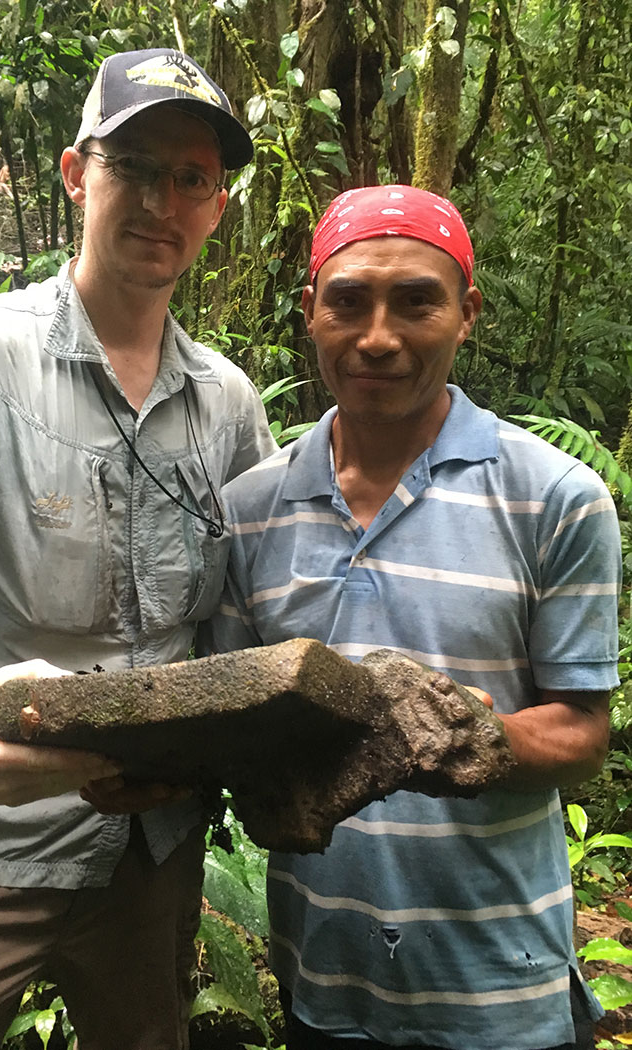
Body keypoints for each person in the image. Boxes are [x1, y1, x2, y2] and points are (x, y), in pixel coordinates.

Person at [0, 47, 276, 1050]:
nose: (161, 200)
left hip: (146, 853)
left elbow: (238, 623)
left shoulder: (227, 405)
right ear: (78, 174)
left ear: (215, 207)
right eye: (133, 167)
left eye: (191, 178)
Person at [201, 185, 621, 1050]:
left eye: (416, 302)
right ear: (311, 312)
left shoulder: (557, 499)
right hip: (322, 976)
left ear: (467, 313)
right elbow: (238, 725)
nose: (379, 336)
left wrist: (461, 736)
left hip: (497, 983)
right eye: (348, 302)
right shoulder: (250, 509)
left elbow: (583, 734)